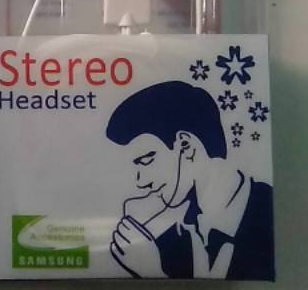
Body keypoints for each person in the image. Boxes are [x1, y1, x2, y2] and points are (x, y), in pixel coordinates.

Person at [106, 81, 274, 280]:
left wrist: (153, 271)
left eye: (146, 160)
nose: (140, 182)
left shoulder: (271, 211)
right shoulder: (174, 237)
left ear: (186, 146)